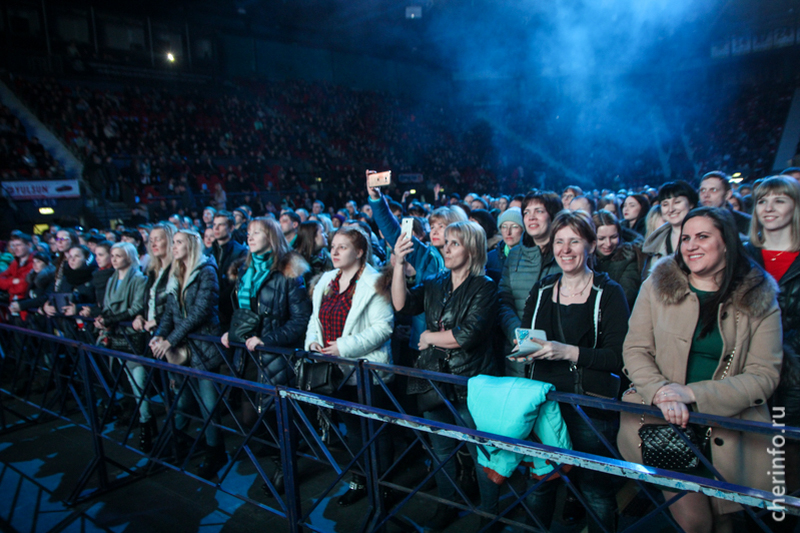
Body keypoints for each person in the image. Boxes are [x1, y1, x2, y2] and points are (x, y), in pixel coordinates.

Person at [619, 207, 783, 532]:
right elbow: (635, 348)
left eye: (703, 237)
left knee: (726, 521)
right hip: (664, 422)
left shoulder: (759, 295)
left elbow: (764, 375)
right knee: (695, 522)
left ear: (727, 243)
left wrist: (691, 393)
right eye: (685, 238)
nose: (691, 245)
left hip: (729, 427)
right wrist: (662, 392)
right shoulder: (657, 285)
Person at [511, 210, 629, 533]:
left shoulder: (609, 293)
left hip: (589, 405)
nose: (565, 249)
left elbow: (619, 357)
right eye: (559, 241)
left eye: (574, 241)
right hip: (545, 402)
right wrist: (523, 348)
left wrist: (568, 352)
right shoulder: (542, 290)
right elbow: (527, 334)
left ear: (590, 245)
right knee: (541, 483)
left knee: (595, 490)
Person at [392, 221, 498, 530]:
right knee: (440, 450)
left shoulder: (486, 285)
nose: (445, 248)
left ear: (472, 248)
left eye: (454, 243)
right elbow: (403, 304)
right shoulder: (436, 281)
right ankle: (448, 506)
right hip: (432, 375)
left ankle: (490, 514)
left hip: (469, 379)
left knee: (480, 451)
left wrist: (429, 337)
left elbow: (468, 335)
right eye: (445, 243)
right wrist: (398, 265)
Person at [304, 226, 394, 507]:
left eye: (342, 247)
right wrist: (312, 344)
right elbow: (314, 320)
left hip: (367, 371)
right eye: (333, 246)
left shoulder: (375, 281)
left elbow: (384, 327)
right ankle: (359, 480)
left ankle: (384, 487)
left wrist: (344, 347)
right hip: (335, 371)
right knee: (352, 431)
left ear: (360, 251)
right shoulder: (327, 280)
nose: (334, 251)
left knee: (375, 433)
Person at [151, 230, 225, 480]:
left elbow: (201, 311)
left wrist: (170, 339)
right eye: (173, 242)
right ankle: (177, 442)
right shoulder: (176, 272)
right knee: (182, 400)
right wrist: (159, 336)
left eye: (179, 242)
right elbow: (170, 312)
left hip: (204, 348)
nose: (174, 246)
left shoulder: (207, 270)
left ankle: (215, 453)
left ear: (191, 245)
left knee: (208, 405)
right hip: (183, 350)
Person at [497, 191, 562, 374]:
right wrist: (517, 334)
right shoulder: (516, 254)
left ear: (553, 216)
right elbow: (504, 299)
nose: (531, 217)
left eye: (539, 211)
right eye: (526, 212)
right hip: (518, 351)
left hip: (554, 354)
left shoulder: (566, 256)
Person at [641, 180, 698, 275]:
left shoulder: (705, 234)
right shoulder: (655, 244)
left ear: (691, 203)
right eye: (665, 204)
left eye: (677, 202)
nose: (671, 209)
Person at [592, 210, 642, 308]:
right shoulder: (585, 258)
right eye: (601, 238)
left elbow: (626, 297)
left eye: (613, 237)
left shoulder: (628, 257)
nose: (608, 243)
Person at [211, 211, 247, 330]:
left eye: (220, 225)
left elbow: (235, 284)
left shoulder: (241, 252)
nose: (216, 228)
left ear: (231, 227)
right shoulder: (208, 252)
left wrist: (217, 301)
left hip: (229, 311)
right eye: (214, 224)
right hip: (212, 310)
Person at [698, 171, 751, 236]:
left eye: (713, 190)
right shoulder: (691, 221)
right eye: (702, 190)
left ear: (728, 195)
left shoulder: (746, 222)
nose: (706, 195)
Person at [486, 207, 523, 282]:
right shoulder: (490, 257)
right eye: (504, 227)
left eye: (514, 227)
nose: (508, 232)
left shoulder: (532, 257)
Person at [293, 220, 333, 287]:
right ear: (312, 236)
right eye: (322, 232)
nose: (326, 235)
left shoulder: (328, 258)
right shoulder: (295, 262)